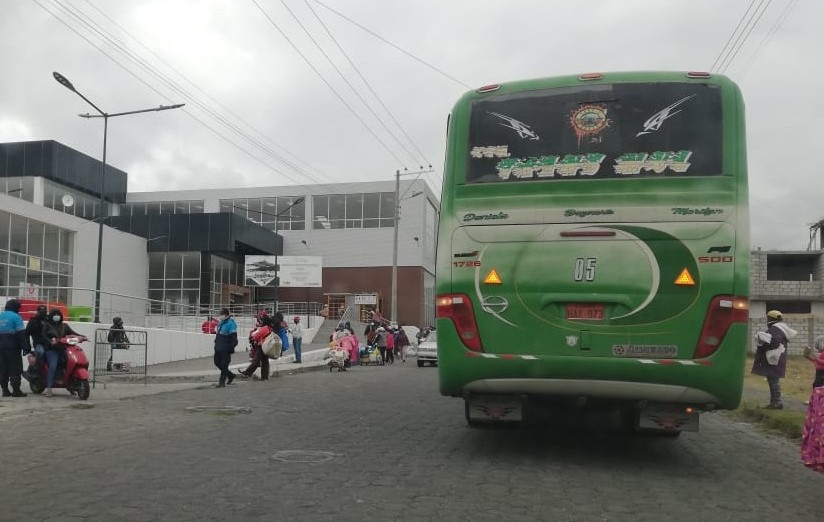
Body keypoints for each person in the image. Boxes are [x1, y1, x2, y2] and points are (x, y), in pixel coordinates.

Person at [751, 310, 797, 409]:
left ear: (770, 318)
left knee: (773, 380)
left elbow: (772, 342)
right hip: (778, 358)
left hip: (773, 358)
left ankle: (776, 402)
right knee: (773, 379)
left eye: (768, 318)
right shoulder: (781, 329)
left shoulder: (775, 330)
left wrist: (762, 342)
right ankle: (775, 402)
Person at [42, 308, 80, 397]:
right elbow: (43, 335)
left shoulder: (64, 326)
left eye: (58, 315)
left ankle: (71, 384)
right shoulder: (47, 325)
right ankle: (49, 389)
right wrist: (50, 342)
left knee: (72, 364)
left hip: (63, 349)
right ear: (51, 316)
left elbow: (73, 333)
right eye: (54, 315)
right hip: (51, 350)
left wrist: (82, 337)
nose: (57, 316)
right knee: (53, 366)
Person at [802, 336, 824, 472]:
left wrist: (813, 356)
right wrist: (809, 357)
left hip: (821, 391)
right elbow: (818, 363)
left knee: (819, 424)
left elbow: (820, 363)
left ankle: (818, 456)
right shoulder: (821, 355)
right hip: (819, 390)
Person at [0, 299, 28, 397]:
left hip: (1, 348)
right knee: (15, 368)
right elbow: (21, 334)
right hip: (13, 348)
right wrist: (25, 347)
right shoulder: (16, 317)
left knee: (3, 368)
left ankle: (5, 390)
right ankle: (16, 390)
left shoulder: (0, 315)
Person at [213, 308, 238, 388]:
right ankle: (230, 375)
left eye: (221, 314)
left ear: (226, 314)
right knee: (217, 362)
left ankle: (222, 382)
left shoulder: (231, 323)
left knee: (224, 365)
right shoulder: (220, 323)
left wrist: (230, 347)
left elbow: (234, 338)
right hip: (218, 347)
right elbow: (218, 334)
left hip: (226, 347)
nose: (220, 316)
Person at [25, 305, 50, 376]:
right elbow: (26, 334)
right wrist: (28, 346)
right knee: (40, 352)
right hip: (38, 344)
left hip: (49, 343)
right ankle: (36, 370)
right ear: (38, 312)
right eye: (41, 312)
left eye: (44, 311)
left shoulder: (49, 321)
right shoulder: (33, 321)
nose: (43, 313)